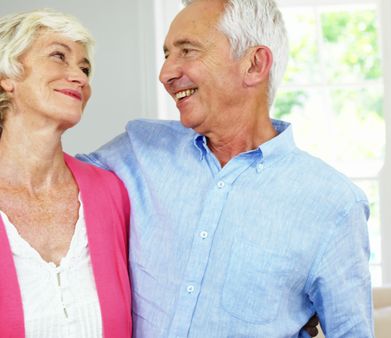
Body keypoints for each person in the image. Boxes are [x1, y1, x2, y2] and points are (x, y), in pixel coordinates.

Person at [78, 0, 374, 336]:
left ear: (254, 65)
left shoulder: (333, 203)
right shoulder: (140, 148)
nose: (166, 74)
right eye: (166, 55)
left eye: (187, 51)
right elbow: (39, 180)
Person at [0, 9, 131, 338]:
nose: (81, 78)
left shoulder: (110, 192)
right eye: (59, 56)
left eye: (85, 69)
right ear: (7, 75)